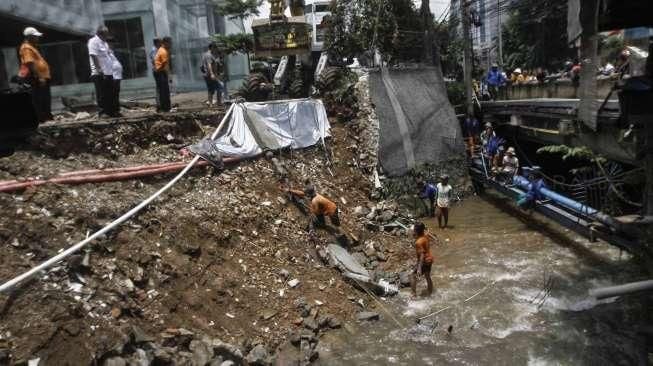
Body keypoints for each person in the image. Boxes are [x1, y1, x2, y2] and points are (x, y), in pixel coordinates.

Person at [19, 27, 52, 123]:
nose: (38, 38)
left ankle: (46, 117)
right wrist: (40, 77)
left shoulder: (32, 47)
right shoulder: (26, 48)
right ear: (29, 37)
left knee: (45, 97)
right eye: (35, 37)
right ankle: (42, 118)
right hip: (37, 78)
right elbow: (30, 63)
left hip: (42, 77)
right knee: (40, 98)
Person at [88, 25, 116, 117]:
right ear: (101, 34)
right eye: (106, 34)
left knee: (110, 93)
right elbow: (93, 55)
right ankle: (103, 112)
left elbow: (107, 55)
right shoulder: (93, 42)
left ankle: (111, 111)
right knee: (101, 94)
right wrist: (99, 69)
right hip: (99, 73)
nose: (107, 36)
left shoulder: (105, 43)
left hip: (108, 72)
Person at [410, 221, 434, 297]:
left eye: (414, 229)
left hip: (424, 261)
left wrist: (419, 268)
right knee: (427, 276)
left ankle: (413, 295)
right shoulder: (425, 236)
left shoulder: (418, 242)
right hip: (430, 259)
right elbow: (427, 233)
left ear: (416, 231)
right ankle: (430, 292)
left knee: (412, 276)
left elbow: (422, 255)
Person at [154, 37, 172, 112]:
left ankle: (165, 108)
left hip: (159, 72)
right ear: (165, 42)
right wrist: (169, 76)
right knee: (164, 91)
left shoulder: (161, 50)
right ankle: (165, 108)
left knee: (163, 91)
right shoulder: (163, 51)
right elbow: (165, 65)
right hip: (160, 72)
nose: (171, 44)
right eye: (170, 43)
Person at [107, 37, 123, 117]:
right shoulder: (106, 53)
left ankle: (116, 110)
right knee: (112, 94)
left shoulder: (114, 52)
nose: (112, 45)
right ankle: (112, 111)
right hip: (112, 76)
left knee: (116, 94)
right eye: (110, 43)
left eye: (112, 43)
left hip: (117, 76)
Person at [149, 38, 161, 109]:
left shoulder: (156, 50)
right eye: (160, 42)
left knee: (160, 87)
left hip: (158, 70)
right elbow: (154, 60)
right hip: (157, 71)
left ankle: (160, 102)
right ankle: (159, 103)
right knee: (159, 87)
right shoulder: (154, 50)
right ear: (157, 43)